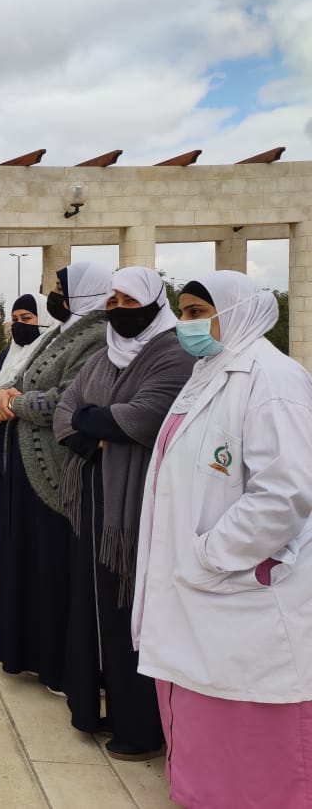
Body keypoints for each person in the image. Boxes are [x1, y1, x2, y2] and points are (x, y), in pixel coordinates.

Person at [131, 271, 312, 807]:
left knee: (252, 736)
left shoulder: (274, 380)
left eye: (195, 312)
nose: (184, 324)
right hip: (197, 591)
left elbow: (286, 490)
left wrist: (213, 554)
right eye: (183, 312)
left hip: (240, 586)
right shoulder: (208, 373)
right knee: (202, 715)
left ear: (236, 312)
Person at [52, 268, 193, 759]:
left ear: (155, 302)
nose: (118, 310)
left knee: (128, 607)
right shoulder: (103, 354)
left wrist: (94, 421)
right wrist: (99, 427)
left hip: (135, 503)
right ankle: (93, 708)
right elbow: (64, 414)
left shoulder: (173, 353)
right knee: (93, 604)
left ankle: (139, 726)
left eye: (129, 300)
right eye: (112, 301)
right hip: (92, 500)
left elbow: (147, 416)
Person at [0, 262, 111, 691]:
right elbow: (19, 381)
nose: (54, 294)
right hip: (28, 467)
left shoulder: (98, 337)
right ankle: (31, 654)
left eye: (60, 287)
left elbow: (68, 401)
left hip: (57, 471)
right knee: (29, 562)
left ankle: (62, 666)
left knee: (56, 567)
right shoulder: (59, 333)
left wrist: (15, 404)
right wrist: (8, 394)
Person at [0, 294, 52, 604]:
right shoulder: (9, 353)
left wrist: (3, 411)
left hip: (29, 460)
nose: (19, 325)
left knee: (26, 541)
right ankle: (4, 609)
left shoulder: (50, 353)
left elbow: (45, 398)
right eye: (15, 319)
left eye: (27, 319)